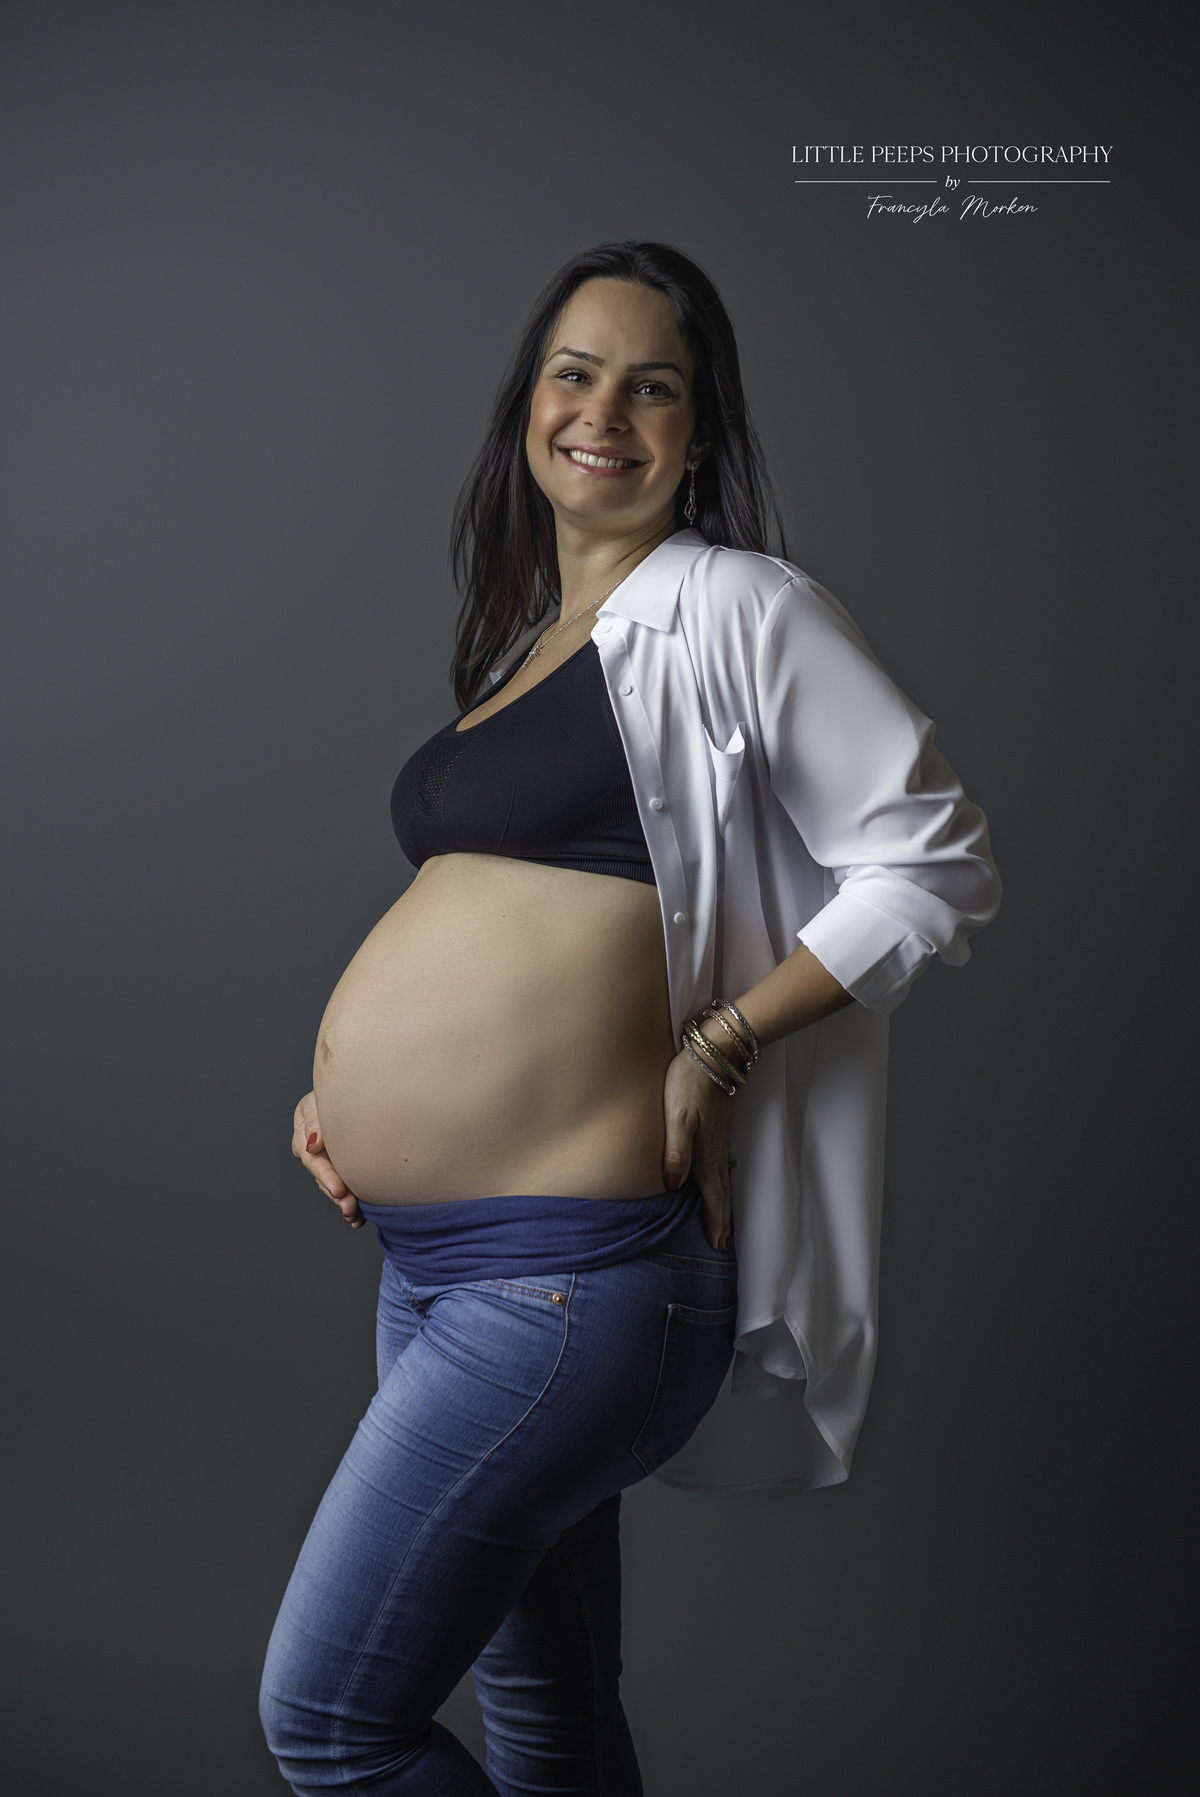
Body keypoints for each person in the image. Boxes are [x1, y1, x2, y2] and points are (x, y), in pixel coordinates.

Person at [259, 240, 1000, 1796]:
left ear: (699, 432)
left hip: (568, 1282)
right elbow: (499, 934)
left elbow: (934, 860)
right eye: (574, 375)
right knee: (552, 1714)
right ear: (528, 406)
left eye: (651, 388)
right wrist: (349, 1097)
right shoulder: (525, 641)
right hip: (432, 1273)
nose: (602, 414)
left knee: (332, 1725)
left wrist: (723, 1042)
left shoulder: (736, 606)